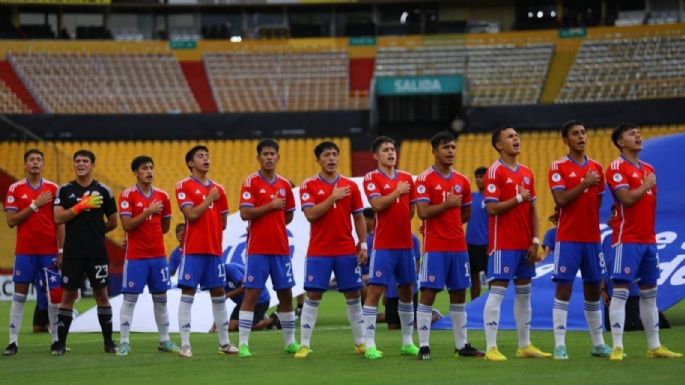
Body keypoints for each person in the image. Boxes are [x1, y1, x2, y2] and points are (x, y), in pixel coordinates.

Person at [605, 123, 681, 360]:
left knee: (650, 294)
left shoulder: (647, 168)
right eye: (632, 134)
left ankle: (654, 346)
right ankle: (617, 347)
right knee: (620, 292)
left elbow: (649, 204)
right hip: (627, 239)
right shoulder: (616, 167)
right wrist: (645, 185)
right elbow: (626, 199)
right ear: (620, 142)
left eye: (639, 133)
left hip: (648, 239)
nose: (638, 136)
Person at [482, 126, 550, 362]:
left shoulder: (527, 173)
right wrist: (518, 197)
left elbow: (532, 209)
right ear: (499, 145)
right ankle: (491, 347)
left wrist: (535, 240)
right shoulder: (495, 172)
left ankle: (524, 345)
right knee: (497, 294)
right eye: (510, 137)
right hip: (503, 244)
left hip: (525, 244)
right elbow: (491, 208)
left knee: (524, 295)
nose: (516, 139)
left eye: (517, 135)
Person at [414, 131, 484, 360]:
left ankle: (462, 345)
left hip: (458, 247)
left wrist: (449, 216)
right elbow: (422, 212)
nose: (451, 151)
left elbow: (465, 213)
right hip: (435, 247)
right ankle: (424, 346)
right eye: (446, 147)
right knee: (428, 293)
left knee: (458, 294)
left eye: (453, 147)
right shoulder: (425, 179)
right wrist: (446, 206)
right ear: (434, 151)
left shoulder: (462, 180)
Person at [294, 141, 367, 358]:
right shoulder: (308, 185)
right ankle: (304, 344)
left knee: (353, 293)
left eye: (335, 154)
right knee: (314, 293)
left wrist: (362, 244)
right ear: (318, 159)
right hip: (319, 250)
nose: (332, 158)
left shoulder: (350, 186)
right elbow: (311, 214)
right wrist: (332, 197)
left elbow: (359, 217)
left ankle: (361, 343)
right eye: (327, 155)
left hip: (345, 249)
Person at [547, 120, 611, 359]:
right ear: (566, 140)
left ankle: (598, 344)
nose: (581, 137)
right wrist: (584, 183)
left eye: (583, 132)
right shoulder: (558, 167)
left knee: (593, 288)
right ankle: (560, 345)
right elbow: (561, 199)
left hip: (592, 238)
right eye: (575, 133)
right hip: (568, 238)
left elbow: (597, 202)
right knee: (564, 287)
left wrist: (586, 187)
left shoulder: (597, 167)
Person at [237, 139, 298, 357]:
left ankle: (290, 342)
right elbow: (245, 213)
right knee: (251, 295)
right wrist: (270, 207)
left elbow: (289, 214)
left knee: (286, 295)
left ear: (278, 157)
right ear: (259, 157)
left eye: (273, 154)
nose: (270, 157)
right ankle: (243, 343)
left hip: (280, 250)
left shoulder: (284, 185)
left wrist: (276, 221)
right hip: (257, 250)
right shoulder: (250, 182)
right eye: (265, 154)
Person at [53, 149, 118, 355]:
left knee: (102, 295)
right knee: (68, 296)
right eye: (77, 161)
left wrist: (97, 233)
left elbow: (114, 222)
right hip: (73, 253)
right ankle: (60, 344)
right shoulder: (64, 190)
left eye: (85, 161)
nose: (80, 164)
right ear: (74, 165)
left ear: (92, 165)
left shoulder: (104, 190)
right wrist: (81, 205)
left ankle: (108, 343)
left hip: (97, 252)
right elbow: (58, 218)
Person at [360, 136, 419, 359]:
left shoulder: (407, 179)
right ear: (376, 155)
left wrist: (399, 193)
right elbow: (377, 205)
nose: (391, 153)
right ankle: (370, 343)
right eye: (386, 150)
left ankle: (407, 342)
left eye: (393, 149)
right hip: (384, 245)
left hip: (405, 244)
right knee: (375, 291)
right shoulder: (371, 178)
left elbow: (410, 211)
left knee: (406, 291)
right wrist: (397, 192)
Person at [175, 145, 235, 357]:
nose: (206, 159)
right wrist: (209, 200)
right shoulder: (184, 185)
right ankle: (185, 345)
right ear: (191, 163)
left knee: (218, 293)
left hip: (214, 250)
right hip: (193, 250)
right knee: (188, 293)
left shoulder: (219, 188)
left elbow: (223, 222)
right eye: (200, 156)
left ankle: (225, 343)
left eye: (207, 155)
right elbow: (190, 215)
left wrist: (212, 201)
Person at [116, 156, 180, 356]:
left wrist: (148, 218)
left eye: (151, 167)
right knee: (130, 299)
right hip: (136, 257)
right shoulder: (127, 195)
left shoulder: (162, 196)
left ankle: (164, 340)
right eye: (145, 168)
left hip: (158, 257)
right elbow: (127, 225)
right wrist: (147, 211)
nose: (149, 171)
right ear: (136, 172)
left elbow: (165, 227)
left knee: (161, 299)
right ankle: (124, 341)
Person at [3, 149, 63, 356]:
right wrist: (35, 205)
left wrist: (62, 249)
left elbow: (60, 222)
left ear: (43, 164)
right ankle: (12, 342)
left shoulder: (54, 188)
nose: (35, 163)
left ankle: (56, 341)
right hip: (25, 252)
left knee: (54, 297)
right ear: (25, 164)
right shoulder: (15, 189)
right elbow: (11, 221)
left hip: (49, 251)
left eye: (39, 159)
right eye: (31, 160)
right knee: (19, 296)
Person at [224, 262, 275, 332]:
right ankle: (260, 318)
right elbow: (219, 302)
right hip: (243, 302)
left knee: (244, 327)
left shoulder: (229, 269)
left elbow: (244, 287)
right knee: (231, 327)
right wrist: (214, 326)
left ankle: (273, 319)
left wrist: (227, 295)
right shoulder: (215, 278)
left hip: (259, 299)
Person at [465, 166, 489, 300]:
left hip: (487, 243)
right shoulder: (471, 197)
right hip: (471, 243)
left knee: (491, 278)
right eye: (477, 177)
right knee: (474, 278)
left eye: (482, 177)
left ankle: (493, 308)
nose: (479, 180)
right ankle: (474, 306)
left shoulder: (493, 198)